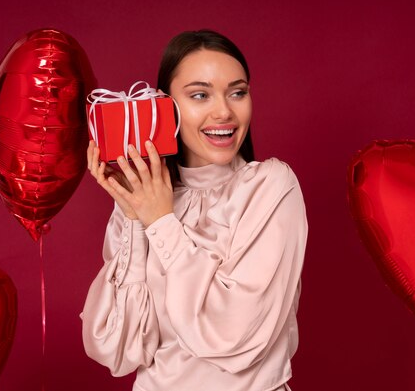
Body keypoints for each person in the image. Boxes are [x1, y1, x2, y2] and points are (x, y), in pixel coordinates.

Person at [81, 29, 308, 391]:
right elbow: (119, 350)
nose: (224, 111)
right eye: (200, 95)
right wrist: (135, 218)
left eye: (238, 92)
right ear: (163, 106)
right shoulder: (147, 198)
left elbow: (233, 337)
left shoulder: (270, 187)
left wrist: (160, 222)